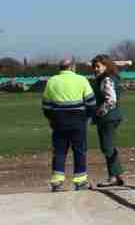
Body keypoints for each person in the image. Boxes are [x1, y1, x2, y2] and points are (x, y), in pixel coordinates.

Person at [41, 58, 96, 192]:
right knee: (79, 150)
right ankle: (80, 181)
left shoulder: (52, 81)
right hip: (78, 120)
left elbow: (46, 105)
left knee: (59, 151)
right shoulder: (82, 80)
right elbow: (91, 102)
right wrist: (88, 116)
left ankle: (57, 181)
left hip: (59, 121)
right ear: (72, 67)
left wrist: (51, 119)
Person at [89, 54, 126, 188]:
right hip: (112, 116)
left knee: (107, 147)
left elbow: (111, 100)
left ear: (106, 65)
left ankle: (113, 177)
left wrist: (99, 112)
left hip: (108, 118)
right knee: (108, 146)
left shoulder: (106, 80)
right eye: (94, 67)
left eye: (98, 66)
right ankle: (116, 175)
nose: (95, 69)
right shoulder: (111, 78)